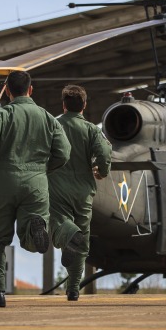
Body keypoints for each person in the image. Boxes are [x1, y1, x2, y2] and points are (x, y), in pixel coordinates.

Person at [0, 70, 71, 308]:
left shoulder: (2, 114)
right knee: (29, 235)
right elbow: (64, 152)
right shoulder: (47, 117)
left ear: (7, 90)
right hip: (36, 183)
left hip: (5, 181)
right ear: (31, 90)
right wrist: (43, 169)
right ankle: (34, 233)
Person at [49, 85, 112, 301]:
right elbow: (104, 152)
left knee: (58, 225)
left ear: (63, 105)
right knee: (82, 241)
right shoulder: (92, 129)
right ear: (84, 105)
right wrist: (102, 171)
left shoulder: (53, 126)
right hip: (84, 191)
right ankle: (73, 288)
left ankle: (68, 235)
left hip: (56, 188)